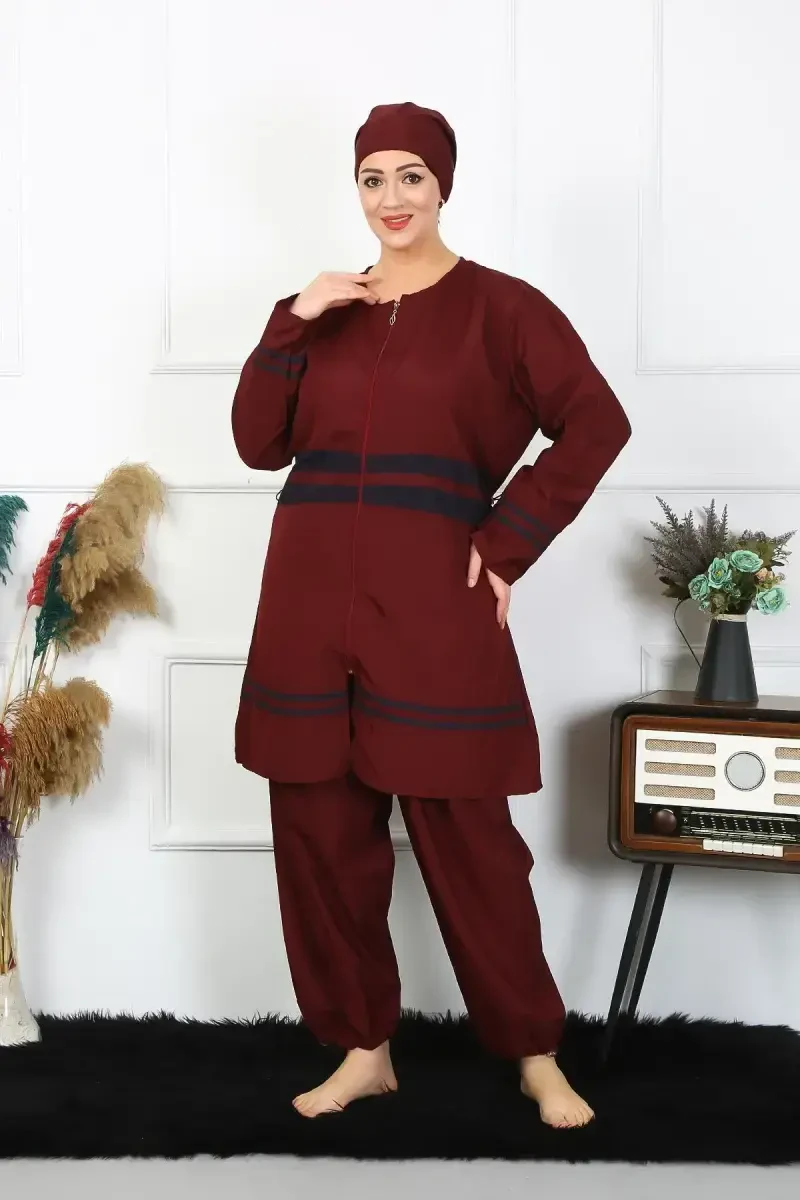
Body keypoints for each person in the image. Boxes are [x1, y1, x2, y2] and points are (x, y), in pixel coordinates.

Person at [231, 101, 631, 1129]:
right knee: (321, 840)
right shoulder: (318, 312)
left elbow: (596, 421)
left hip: (434, 610)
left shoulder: (505, 311)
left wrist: (507, 539)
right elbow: (256, 442)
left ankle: (535, 1053)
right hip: (307, 608)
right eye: (372, 178)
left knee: (472, 844)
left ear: (442, 185)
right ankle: (362, 1049)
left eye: (410, 175)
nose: (391, 197)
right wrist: (294, 318)